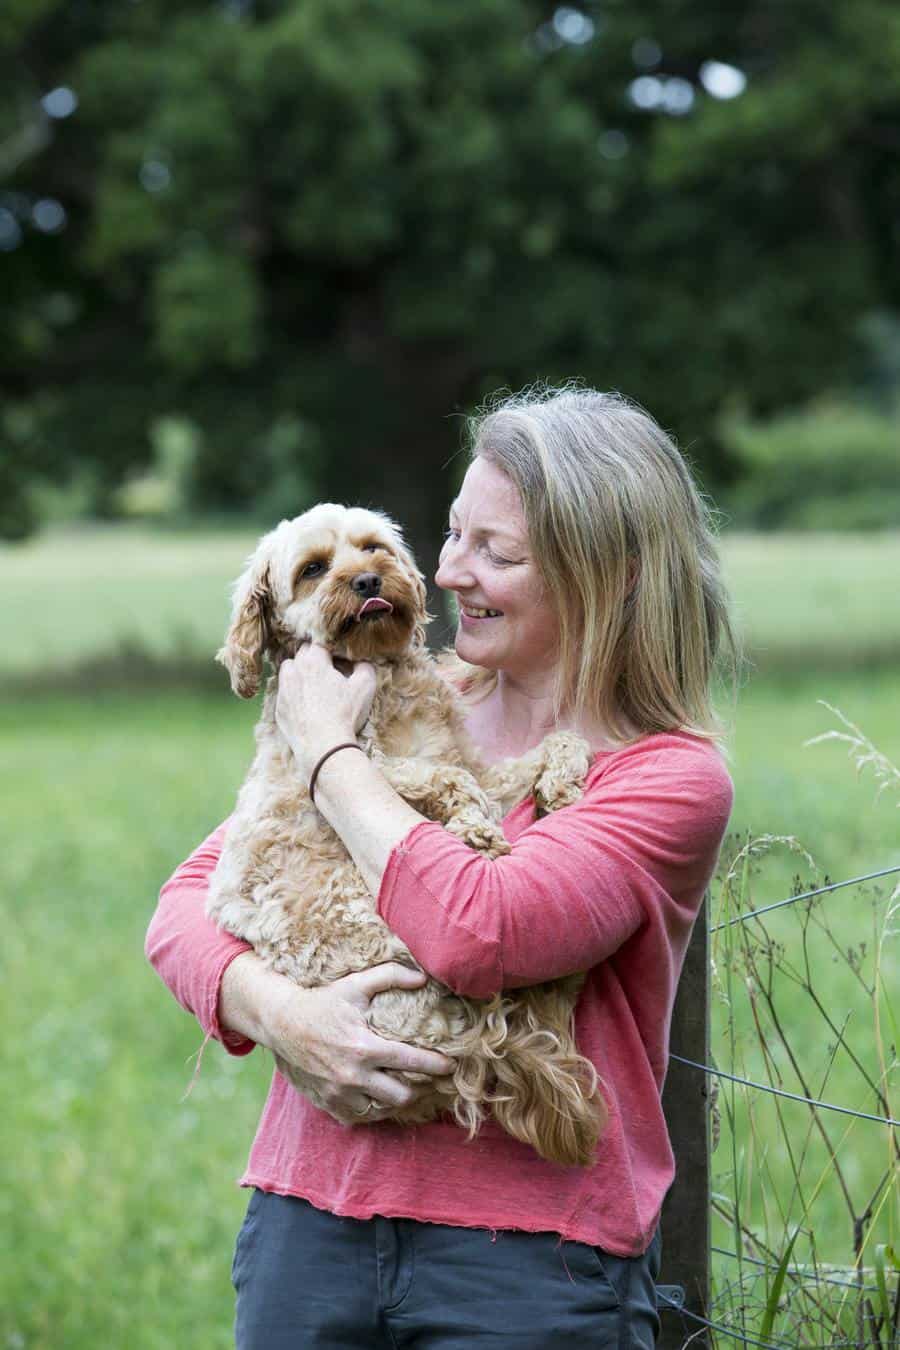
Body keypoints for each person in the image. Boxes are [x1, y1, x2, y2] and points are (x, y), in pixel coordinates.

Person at [146, 385, 735, 1349]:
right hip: (311, 1223)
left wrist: (330, 756)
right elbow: (182, 908)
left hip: (532, 1270)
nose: (450, 571)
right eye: (453, 536)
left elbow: (481, 931)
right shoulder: (408, 692)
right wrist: (285, 1018)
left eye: (495, 553)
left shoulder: (665, 776)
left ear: (616, 573)